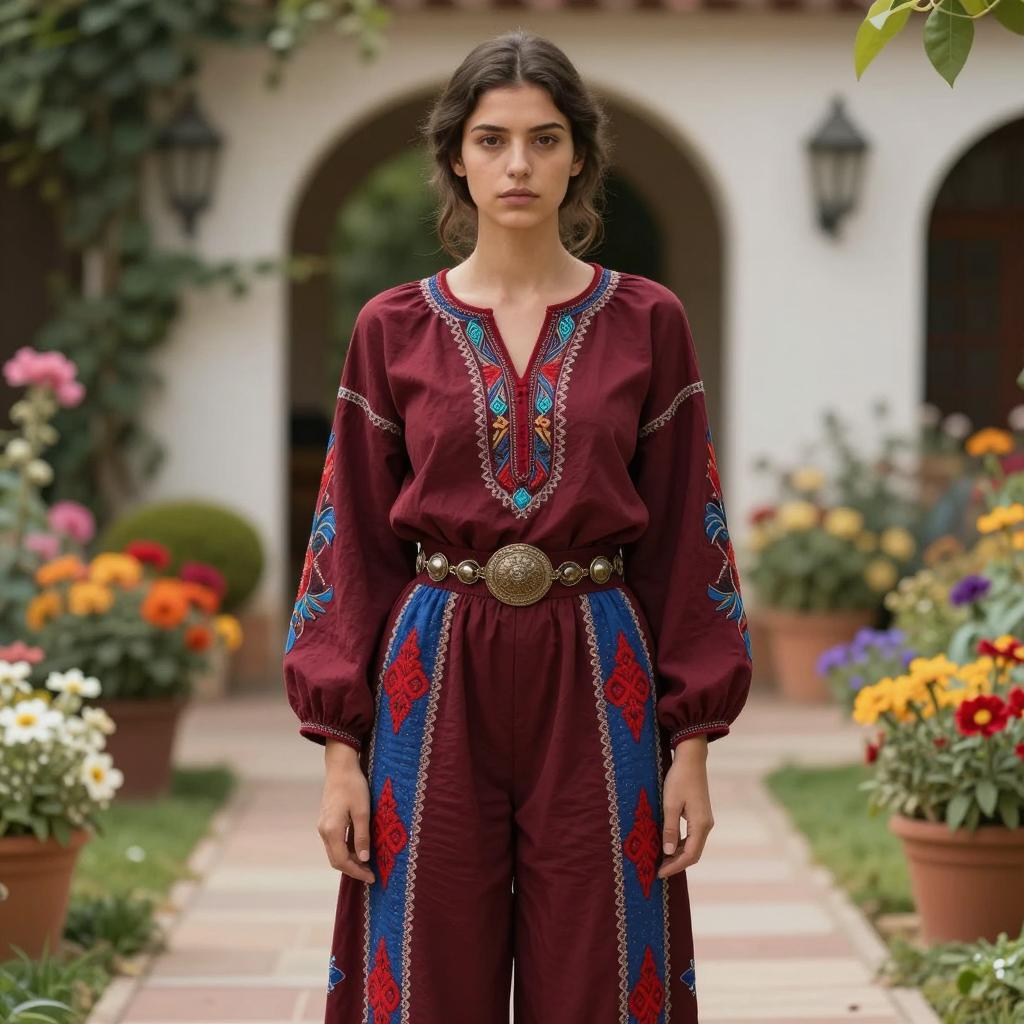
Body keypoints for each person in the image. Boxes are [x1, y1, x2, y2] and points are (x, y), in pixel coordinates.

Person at [282, 28, 752, 1024]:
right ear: (456, 154)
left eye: (543, 139)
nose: (518, 164)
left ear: (579, 153)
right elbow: (351, 539)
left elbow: (685, 535)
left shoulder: (648, 320)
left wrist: (694, 745)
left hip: (598, 659)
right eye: (492, 139)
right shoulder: (390, 327)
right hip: (433, 661)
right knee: (423, 959)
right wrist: (337, 755)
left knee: (603, 954)